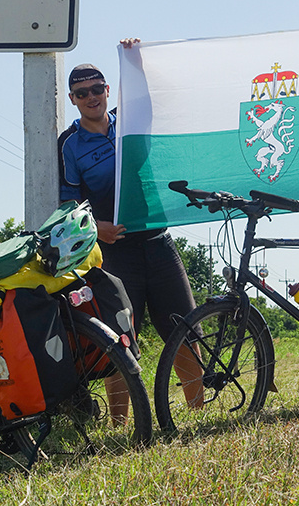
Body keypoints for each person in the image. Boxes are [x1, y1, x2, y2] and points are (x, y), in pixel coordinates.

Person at [58, 52, 204, 409]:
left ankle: (198, 412)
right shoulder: (69, 143)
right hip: (114, 251)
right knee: (116, 339)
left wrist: (136, 61)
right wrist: (96, 228)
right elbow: (67, 204)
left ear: (108, 90)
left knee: (184, 328)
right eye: (82, 93)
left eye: (97, 89)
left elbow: (154, 102)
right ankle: (119, 425)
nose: (91, 97)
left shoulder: (130, 122)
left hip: (158, 241)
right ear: (72, 99)